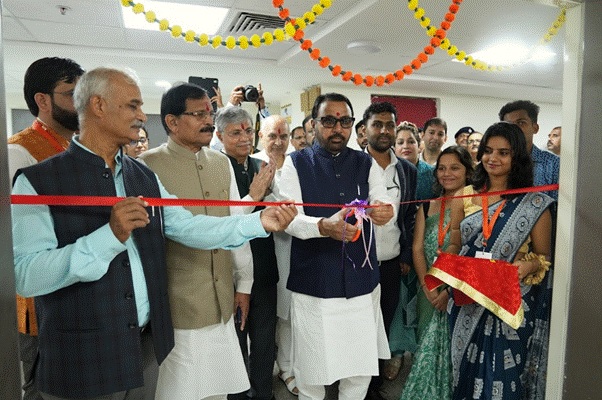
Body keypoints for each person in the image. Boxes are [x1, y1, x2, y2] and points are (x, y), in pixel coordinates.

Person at [11, 67, 297, 400]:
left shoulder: (141, 175)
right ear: (98, 105)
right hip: (82, 360)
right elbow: (25, 276)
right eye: (132, 106)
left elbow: (188, 227)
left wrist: (260, 222)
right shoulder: (38, 181)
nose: (141, 116)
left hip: (145, 350)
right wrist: (108, 236)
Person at [138, 82, 254, 399]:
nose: (208, 120)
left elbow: (235, 225)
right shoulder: (146, 165)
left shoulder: (221, 162)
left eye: (210, 113)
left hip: (222, 299)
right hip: (178, 304)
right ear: (172, 122)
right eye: (198, 114)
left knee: (219, 390)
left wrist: (244, 283)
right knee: (181, 390)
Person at [278, 93, 394, 400]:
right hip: (315, 284)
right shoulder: (295, 164)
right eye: (329, 121)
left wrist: (385, 211)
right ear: (314, 124)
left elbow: (382, 199)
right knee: (312, 373)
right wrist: (322, 227)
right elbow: (288, 219)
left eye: (345, 121)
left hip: (362, 285)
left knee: (359, 371)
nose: (337, 129)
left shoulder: (365, 163)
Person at [447, 122, 554, 400]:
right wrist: (447, 267)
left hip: (509, 300)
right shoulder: (465, 195)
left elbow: (545, 256)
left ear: (517, 157)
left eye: (503, 153)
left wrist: (527, 266)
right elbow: (455, 243)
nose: (492, 158)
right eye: (488, 150)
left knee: (504, 379)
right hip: (468, 297)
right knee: (465, 374)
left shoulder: (534, 203)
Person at [7, 56, 84, 400]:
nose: (83, 103)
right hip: (40, 301)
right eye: (72, 94)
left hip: (79, 290)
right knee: (43, 389)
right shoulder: (18, 152)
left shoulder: (79, 149)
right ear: (43, 100)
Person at [215, 107, 280, 400]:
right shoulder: (215, 169)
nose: (244, 138)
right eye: (235, 133)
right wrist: (253, 196)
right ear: (219, 136)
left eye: (248, 132)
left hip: (264, 269)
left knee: (265, 342)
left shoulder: (261, 165)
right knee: (235, 343)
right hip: (230, 273)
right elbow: (223, 221)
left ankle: (264, 393)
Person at [400, 146, 474, 400]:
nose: (446, 173)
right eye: (441, 168)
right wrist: (427, 287)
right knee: (425, 350)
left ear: (468, 171)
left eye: (454, 168)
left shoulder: (475, 206)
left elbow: (470, 253)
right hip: (428, 290)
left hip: (460, 291)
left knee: (456, 352)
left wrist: (449, 291)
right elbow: (417, 249)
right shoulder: (426, 206)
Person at [360, 102, 417, 396]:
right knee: (360, 326)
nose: (384, 130)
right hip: (358, 262)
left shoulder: (406, 170)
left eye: (389, 125)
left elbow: (409, 215)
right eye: (377, 124)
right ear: (365, 129)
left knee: (383, 325)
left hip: (392, 263)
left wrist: (406, 255)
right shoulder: (354, 165)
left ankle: (375, 386)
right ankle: (355, 385)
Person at [499, 100, 559, 201]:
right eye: (509, 125)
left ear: (535, 128)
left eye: (521, 123)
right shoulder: (494, 162)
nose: (515, 129)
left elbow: (558, 206)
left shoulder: (553, 163)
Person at [394, 121, 436, 201]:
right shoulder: (388, 173)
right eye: (400, 142)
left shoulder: (432, 173)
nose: (405, 146)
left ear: (419, 146)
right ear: (394, 148)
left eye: (411, 142)